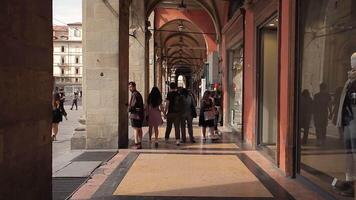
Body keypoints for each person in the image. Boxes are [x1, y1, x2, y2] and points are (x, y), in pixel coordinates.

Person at [128, 82, 144, 149]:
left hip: (135, 115)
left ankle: (136, 144)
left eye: (131, 87)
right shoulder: (138, 94)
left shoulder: (134, 94)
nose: (130, 88)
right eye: (129, 87)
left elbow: (133, 106)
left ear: (134, 86)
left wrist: (128, 108)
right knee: (139, 129)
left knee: (135, 129)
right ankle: (140, 143)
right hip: (140, 114)